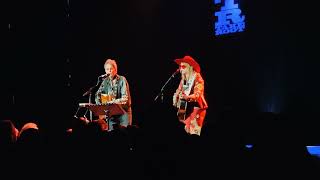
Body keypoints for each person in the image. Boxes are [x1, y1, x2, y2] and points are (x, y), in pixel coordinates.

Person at [172, 55, 208, 136]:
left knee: (193, 133)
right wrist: (176, 97)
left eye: (183, 66)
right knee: (183, 131)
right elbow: (178, 90)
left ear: (190, 67)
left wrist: (187, 97)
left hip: (196, 108)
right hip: (184, 109)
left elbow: (197, 94)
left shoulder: (197, 77)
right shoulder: (184, 79)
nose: (181, 69)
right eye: (180, 66)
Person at [95, 59, 132, 131]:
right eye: (107, 69)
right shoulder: (105, 81)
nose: (109, 71)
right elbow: (97, 95)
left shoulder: (122, 79)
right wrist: (101, 106)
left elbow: (125, 99)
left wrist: (112, 102)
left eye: (111, 69)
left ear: (115, 69)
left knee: (124, 134)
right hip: (111, 114)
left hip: (123, 113)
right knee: (111, 137)